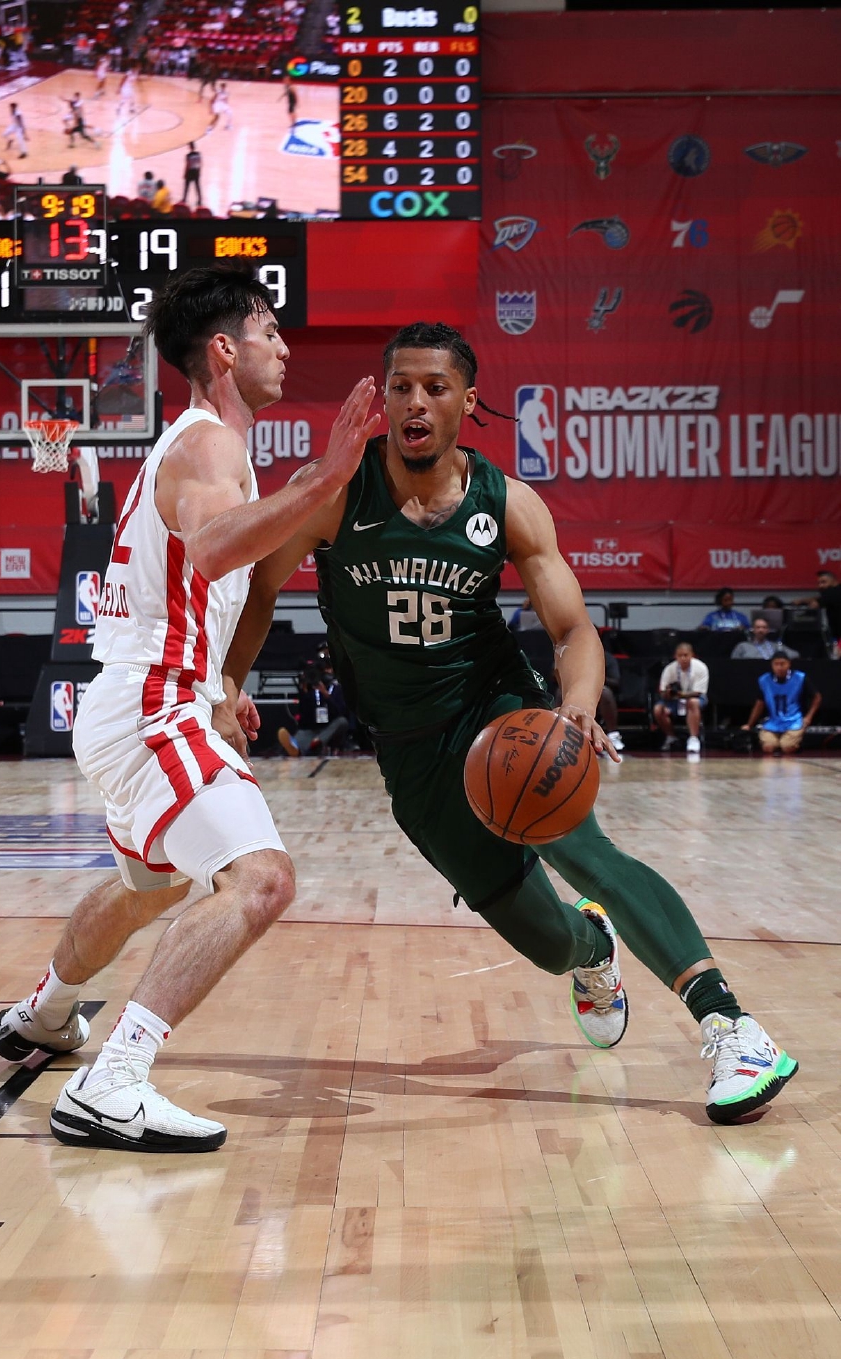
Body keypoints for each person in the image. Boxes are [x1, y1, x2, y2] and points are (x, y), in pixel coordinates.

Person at [224, 321, 797, 1125]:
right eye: (400, 387)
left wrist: (574, 706)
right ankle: (592, 949)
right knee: (545, 940)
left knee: (585, 851)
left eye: (435, 388)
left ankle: (730, 1026)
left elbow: (572, 628)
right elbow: (257, 589)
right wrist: (226, 681)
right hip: (408, 744)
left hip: (497, 710)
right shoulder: (336, 491)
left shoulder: (508, 504)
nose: (415, 402)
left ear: (468, 401)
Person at [0, 267, 380, 1152]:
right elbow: (208, 549)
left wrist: (221, 688)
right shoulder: (209, 444)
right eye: (270, 330)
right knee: (263, 880)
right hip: (151, 703)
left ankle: (43, 1014)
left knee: (150, 887)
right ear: (225, 350)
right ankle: (112, 1082)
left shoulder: (200, 445)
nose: (285, 347)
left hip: (148, 698)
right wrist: (328, 478)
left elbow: (195, 586)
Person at [742, 654, 820, 756]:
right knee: (768, 747)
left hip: (793, 721)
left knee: (787, 747)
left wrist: (808, 717)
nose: (779, 667)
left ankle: (795, 742)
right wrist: (749, 724)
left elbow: (817, 697)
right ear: (772, 665)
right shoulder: (765, 680)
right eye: (776, 664)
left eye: (782, 664)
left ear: (789, 664)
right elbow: (759, 704)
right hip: (773, 721)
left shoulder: (800, 678)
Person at [277, 663, 349, 756]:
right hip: (312, 729)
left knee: (342, 721)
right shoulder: (310, 690)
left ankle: (318, 742)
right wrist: (304, 692)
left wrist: (326, 695)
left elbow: (339, 712)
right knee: (299, 738)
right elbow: (303, 715)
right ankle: (297, 749)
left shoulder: (337, 689)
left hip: (329, 727)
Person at [654, 642, 708, 755]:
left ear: (692, 655)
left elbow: (698, 692)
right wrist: (668, 693)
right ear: (675, 656)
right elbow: (662, 692)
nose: (683, 658)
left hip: (695, 698)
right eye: (680, 655)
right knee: (658, 709)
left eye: (686, 655)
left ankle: (693, 738)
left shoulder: (701, 667)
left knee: (693, 702)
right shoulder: (670, 669)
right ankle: (671, 736)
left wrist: (680, 694)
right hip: (674, 700)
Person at [730, 616, 798, 661]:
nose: (761, 630)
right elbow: (733, 663)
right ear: (753, 629)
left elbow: (795, 654)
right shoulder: (742, 646)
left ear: (768, 630)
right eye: (758, 627)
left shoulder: (776, 646)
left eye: (764, 627)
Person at [181, 142, 202, 206]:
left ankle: (184, 199)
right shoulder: (198, 154)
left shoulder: (188, 156)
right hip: (196, 171)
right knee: (197, 186)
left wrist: (185, 173)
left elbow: (188, 165)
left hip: (190, 172)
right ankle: (199, 200)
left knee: (187, 186)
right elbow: (200, 163)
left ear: (190, 147)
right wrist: (199, 171)